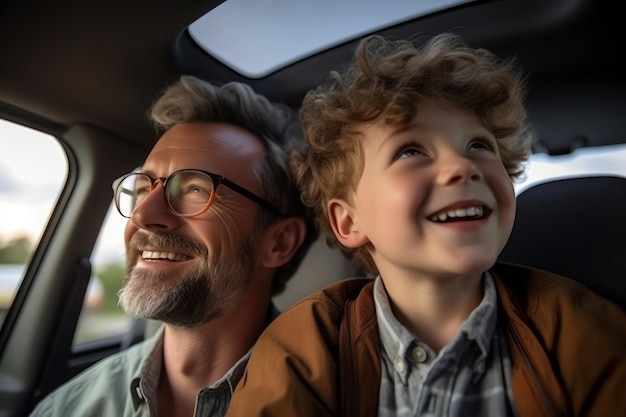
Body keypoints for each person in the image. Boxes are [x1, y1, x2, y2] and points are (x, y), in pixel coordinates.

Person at [225, 33, 626, 417]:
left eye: (479, 146)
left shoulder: (579, 327)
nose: (462, 167)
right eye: (411, 150)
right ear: (348, 221)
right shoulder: (305, 344)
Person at [29, 75, 317, 417]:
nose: (142, 214)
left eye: (196, 189)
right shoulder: (65, 410)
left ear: (279, 243)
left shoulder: (335, 402)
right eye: (142, 188)